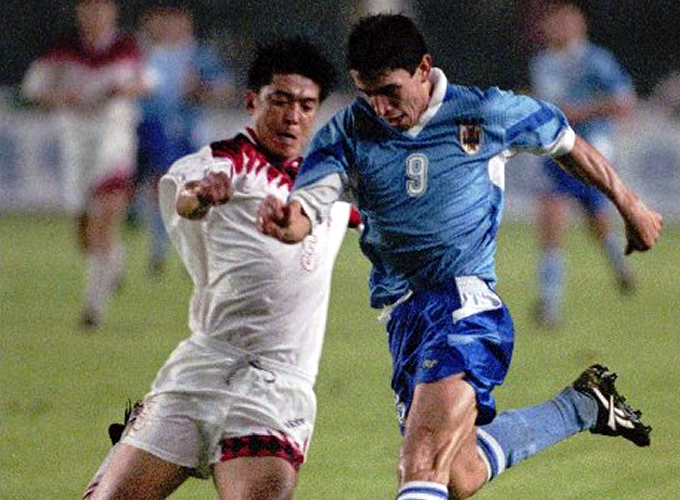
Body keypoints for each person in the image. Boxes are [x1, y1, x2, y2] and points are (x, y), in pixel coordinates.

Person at [258, 13, 662, 500]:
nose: (381, 108)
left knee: (421, 460)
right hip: (402, 315)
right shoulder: (347, 132)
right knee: (459, 474)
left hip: (465, 306)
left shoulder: (484, 112)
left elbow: (566, 140)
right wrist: (289, 223)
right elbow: (307, 206)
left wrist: (631, 204)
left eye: (390, 91)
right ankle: (581, 407)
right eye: (368, 93)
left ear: (424, 68)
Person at [81, 37, 360, 500]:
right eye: (281, 100)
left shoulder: (329, 186)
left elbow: (379, 223)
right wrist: (202, 197)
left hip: (277, 387)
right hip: (201, 369)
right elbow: (188, 197)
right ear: (253, 101)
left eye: (307, 105)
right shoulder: (224, 161)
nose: (294, 116)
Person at [21, 0, 153, 329]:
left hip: (115, 140)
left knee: (103, 221)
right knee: (85, 235)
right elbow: (32, 88)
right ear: (80, 12)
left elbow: (149, 82)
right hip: (76, 145)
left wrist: (127, 88)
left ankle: (92, 310)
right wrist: (61, 96)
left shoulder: (128, 46)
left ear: (113, 12)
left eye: (102, 8)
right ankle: (115, 257)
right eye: (89, 9)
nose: (95, 15)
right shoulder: (62, 48)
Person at [529, 1, 638, 328]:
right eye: (553, 23)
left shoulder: (596, 60)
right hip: (555, 151)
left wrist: (579, 111)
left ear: (579, 26)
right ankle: (550, 303)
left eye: (564, 22)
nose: (556, 29)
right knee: (551, 218)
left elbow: (624, 101)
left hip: (590, 151)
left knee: (596, 220)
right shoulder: (543, 61)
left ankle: (618, 262)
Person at [132, 4, 235, 275]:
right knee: (160, 187)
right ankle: (159, 248)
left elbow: (224, 87)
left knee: (195, 191)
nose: (170, 26)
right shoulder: (147, 54)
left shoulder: (199, 55)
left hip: (190, 132)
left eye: (176, 21)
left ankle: (198, 250)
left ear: (186, 23)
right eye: (165, 20)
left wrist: (199, 88)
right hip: (153, 130)